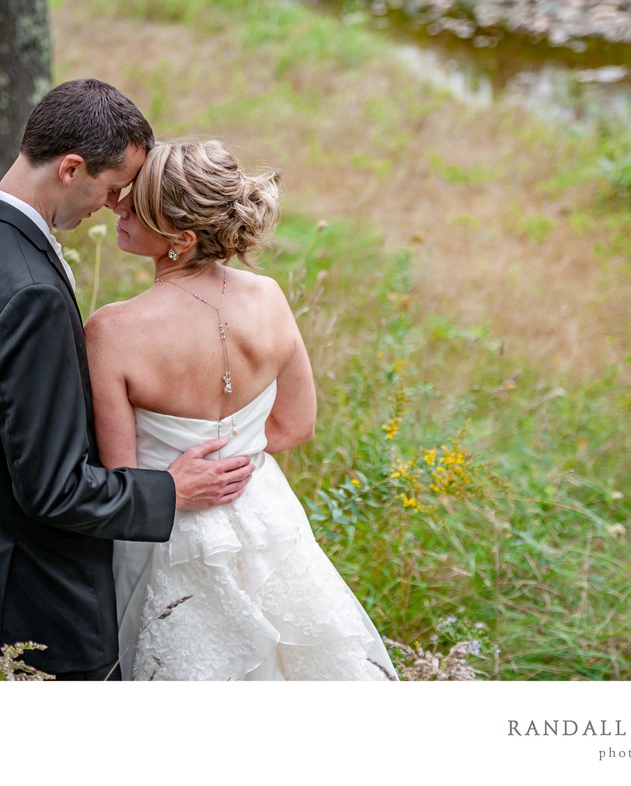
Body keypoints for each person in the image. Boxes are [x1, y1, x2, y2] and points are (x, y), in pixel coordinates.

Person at [0, 80, 254, 681]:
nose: (113, 204)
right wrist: (170, 491)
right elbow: (52, 489)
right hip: (42, 608)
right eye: (111, 187)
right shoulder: (30, 293)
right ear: (72, 168)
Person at [85, 139, 398, 680]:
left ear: (180, 239)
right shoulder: (270, 297)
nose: (117, 206)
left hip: (170, 537)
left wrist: (184, 477)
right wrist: (237, 458)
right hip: (265, 514)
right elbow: (297, 426)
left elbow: (123, 477)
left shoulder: (111, 331)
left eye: (136, 204)